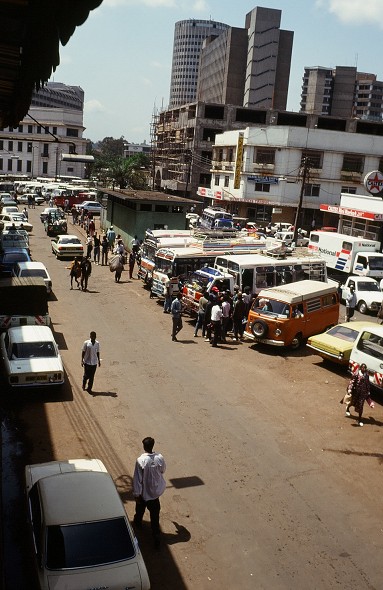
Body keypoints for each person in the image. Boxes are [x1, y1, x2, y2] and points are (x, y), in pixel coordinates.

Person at [133, 436, 166, 549]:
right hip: (154, 495)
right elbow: (163, 470)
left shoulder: (140, 460)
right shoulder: (159, 458)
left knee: (139, 512)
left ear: (144, 446)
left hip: (143, 495)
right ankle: (156, 536)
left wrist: (137, 494)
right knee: (155, 518)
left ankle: (137, 525)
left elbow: (137, 479)